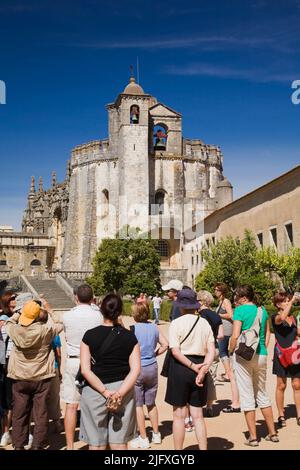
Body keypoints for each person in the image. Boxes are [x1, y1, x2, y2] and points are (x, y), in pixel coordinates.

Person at [79, 294, 141, 450]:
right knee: (119, 443)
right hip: (122, 388)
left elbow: (85, 370)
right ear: (120, 312)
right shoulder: (130, 337)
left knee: (96, 442)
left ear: (101, 310)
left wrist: (105, 392)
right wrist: (119, 393)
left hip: (95, 389)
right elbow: (135, 369)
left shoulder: (89, 335)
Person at [6, 298, 63, 450]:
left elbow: (8, 323)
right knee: (41, 412)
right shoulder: (46, 330)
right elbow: (61, 324)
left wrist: (19, 313)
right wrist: (49, 310)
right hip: (41, 376)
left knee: (19, 413)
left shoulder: (15, 330)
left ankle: (18, 444)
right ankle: (38, 444)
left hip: (20, 376)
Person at [165, 289, 215, 450]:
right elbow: (211, 350)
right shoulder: (204, 322)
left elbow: (175, 351)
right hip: (201, 364)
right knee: (198, 416)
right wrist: (203, 369)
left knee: (179, 415)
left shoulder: (176, 323)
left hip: (181, 367)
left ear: (180, 306)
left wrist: (193, 367)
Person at [229, 285, 279, 447]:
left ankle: (253, 437)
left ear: (244, 298)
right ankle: (273, 433)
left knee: (246, 395)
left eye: (236, 296)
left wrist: (231, 350)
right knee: (262, 393)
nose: (235, 299)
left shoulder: (240, 311)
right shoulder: (262, 310)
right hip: (261, 353)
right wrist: (262, 347)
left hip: (244, 355)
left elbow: (235, 336)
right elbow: (267, 333)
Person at [62, 284, 103, 450]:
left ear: (76, 297)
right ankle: (96, 443)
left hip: (74, 360)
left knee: (71, 406)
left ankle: (70, 446)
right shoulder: (99, 315)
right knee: (96, 405)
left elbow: (66, 335)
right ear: (93, 298)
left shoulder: (67, 316)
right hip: (94, 362)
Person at [129, 302, 168, 449]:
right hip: (152, 366)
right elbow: (165, 344)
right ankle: (156, 434)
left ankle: (143, 437)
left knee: (139, 404)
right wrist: (154, 354)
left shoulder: (132, 329)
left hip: (138, 368)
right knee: (151, 403)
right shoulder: (154, 327)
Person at [271, 291, 300, 428]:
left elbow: (297, 333)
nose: (288, 302)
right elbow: (282, 317)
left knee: (297, 385)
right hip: (281, 355)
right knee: (281, 385)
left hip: (294, 355)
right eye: (285, 300)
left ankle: (299, 415)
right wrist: (293, 301)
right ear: (278, 304)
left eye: (289, 300)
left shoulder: (293, 318)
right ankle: (281, 415)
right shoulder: (275, 317)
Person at [214, 282, 240, 413]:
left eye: (217, 289)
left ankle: (228, 372)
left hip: (226, 331)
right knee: (223, 352)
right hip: (223, 331)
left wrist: (218, 315)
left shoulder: (226, 301)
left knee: (223, 352)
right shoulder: (221, 301)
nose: (215, 291)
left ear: (222, 291)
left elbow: (231, 315)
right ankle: (228, 372)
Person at [197, 290, 224, 417]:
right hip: (215, 348)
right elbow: (221, 335)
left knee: (198, 376)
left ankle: (196, 404)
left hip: (202, 349)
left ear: (201, 301)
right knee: (212, 378)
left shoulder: (199, 315)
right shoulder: (216, 315)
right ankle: (209, 406)